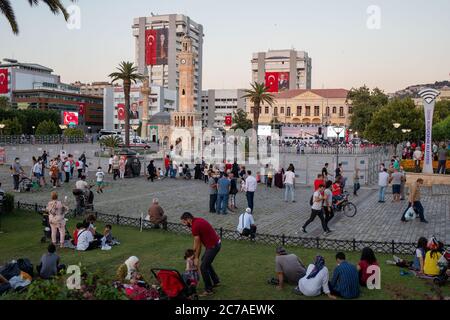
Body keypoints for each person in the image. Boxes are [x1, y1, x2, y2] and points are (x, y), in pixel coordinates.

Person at [180, 212, 221, 296]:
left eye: (184, 222)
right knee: (205, 262)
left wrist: (196, 258)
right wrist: (193, 252)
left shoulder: (195, 226)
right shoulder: (197, 221)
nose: (184, 225)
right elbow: (196, 242)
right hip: (215, 244)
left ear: (188, 219)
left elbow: (198, 244)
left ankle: (208, 289)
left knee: (203, 267)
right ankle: (216, 281)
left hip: (213, 246)